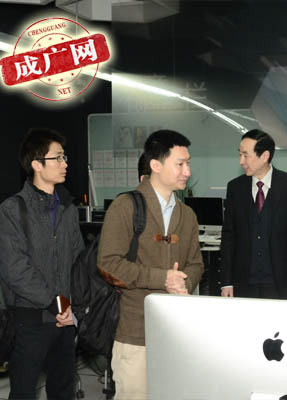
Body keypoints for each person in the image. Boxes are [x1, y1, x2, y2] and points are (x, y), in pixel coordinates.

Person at [97, 130, 204, 400]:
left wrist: (184, 281)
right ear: (155, 165)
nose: (187, 171)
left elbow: (195, 263)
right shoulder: (125, 206)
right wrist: (162, 278)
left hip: (176, 331)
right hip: (134, 331)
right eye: (180, 164)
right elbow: (108, 264)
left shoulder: (187, 215)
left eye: (188, 163)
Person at [0, 127, 84, 400]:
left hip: (64, 321)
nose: (64, 163)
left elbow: (77, 261)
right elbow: (15, 269)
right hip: (30, 322)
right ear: (36, 164)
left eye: (64, 157)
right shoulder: (13, 209)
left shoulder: (68, 208)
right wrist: (56, 303)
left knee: (63, 391)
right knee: (23, 392)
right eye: (57, 158)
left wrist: (73, 308)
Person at [220, 129, 287, 300]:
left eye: (246, 155)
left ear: (265, 156)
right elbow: (229, 237)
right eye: (240, 154)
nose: (241, 161)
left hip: (281, 282)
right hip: (243, 283)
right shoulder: (235, 188)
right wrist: (227, 282)